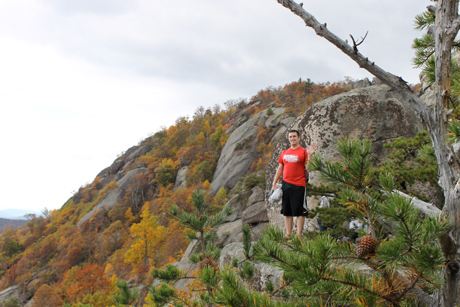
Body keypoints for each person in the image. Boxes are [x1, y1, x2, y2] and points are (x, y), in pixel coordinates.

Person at [272, 129, 318, 239]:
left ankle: (298, 236)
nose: (292, 138)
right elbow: (280, 168)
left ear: (299, 138)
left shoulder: (303, 152)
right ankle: (289, 233)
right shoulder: (285, 152)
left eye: (294, 136)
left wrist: (310, 155)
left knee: (299, 211)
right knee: (287, 210)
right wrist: (274, 182)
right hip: (286, 184)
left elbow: (309, 168)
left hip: (299, 184)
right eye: (290, 137)